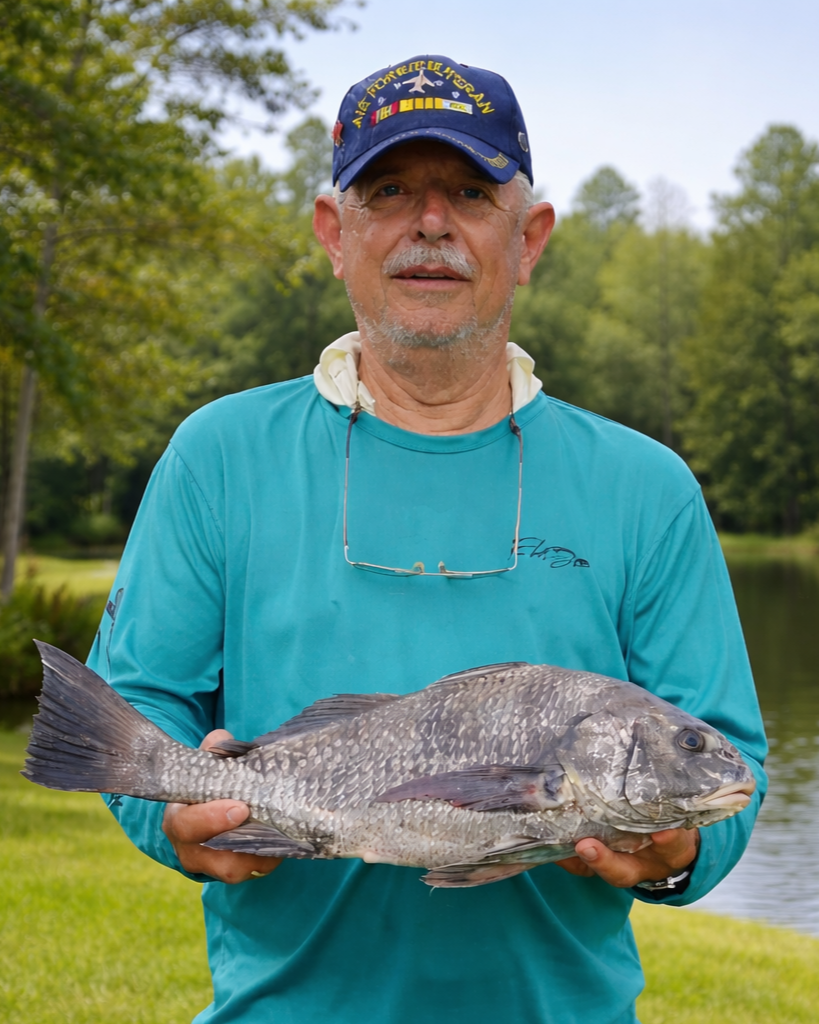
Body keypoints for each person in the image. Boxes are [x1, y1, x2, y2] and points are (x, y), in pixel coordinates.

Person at [90, 55, 767, 1024]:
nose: (431, 223)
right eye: (391, 189)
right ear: (336, 231)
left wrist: (682, 852)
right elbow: (134, 703)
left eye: (469, 191)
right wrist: (173, 819)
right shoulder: (219, 456)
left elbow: (728, 751)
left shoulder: (646, 487)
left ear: (528, 237)